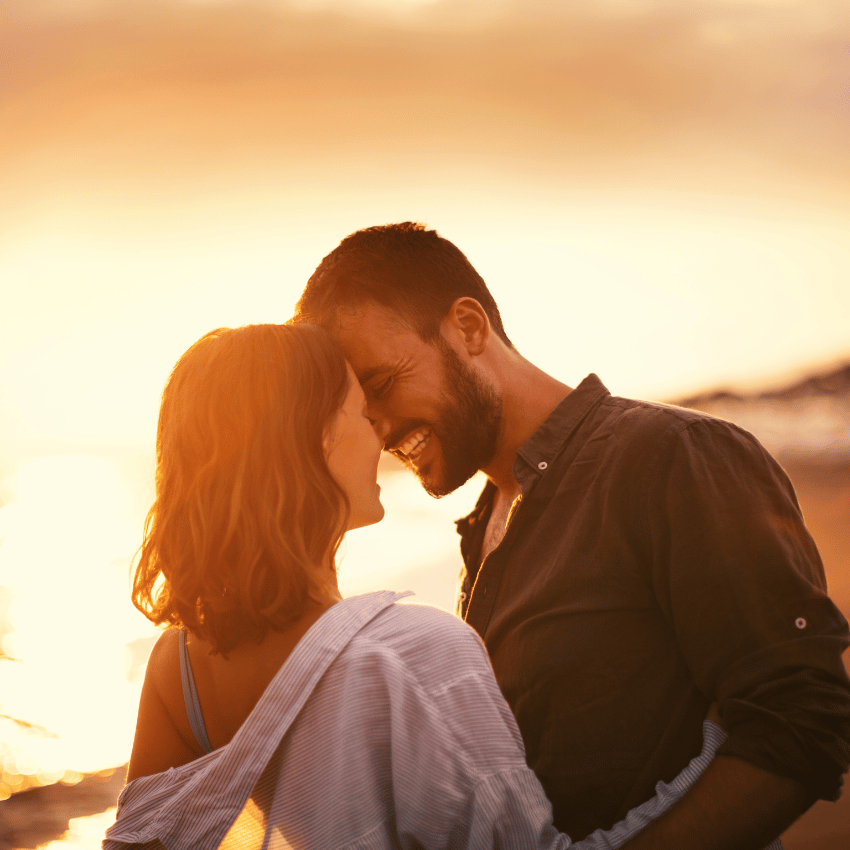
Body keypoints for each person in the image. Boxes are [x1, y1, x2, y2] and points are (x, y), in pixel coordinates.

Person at [293, 222, 850, 849]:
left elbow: (804, 716)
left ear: (469, 328)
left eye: (382, 386)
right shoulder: (485, 523)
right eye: (361, 411)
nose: (383, 429)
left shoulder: (672, 457)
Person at [104, 322, 725, 850]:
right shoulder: (412, 652)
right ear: (315, 439)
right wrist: (709, 755)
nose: (381, 435)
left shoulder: (174, 666)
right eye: (360, 410)